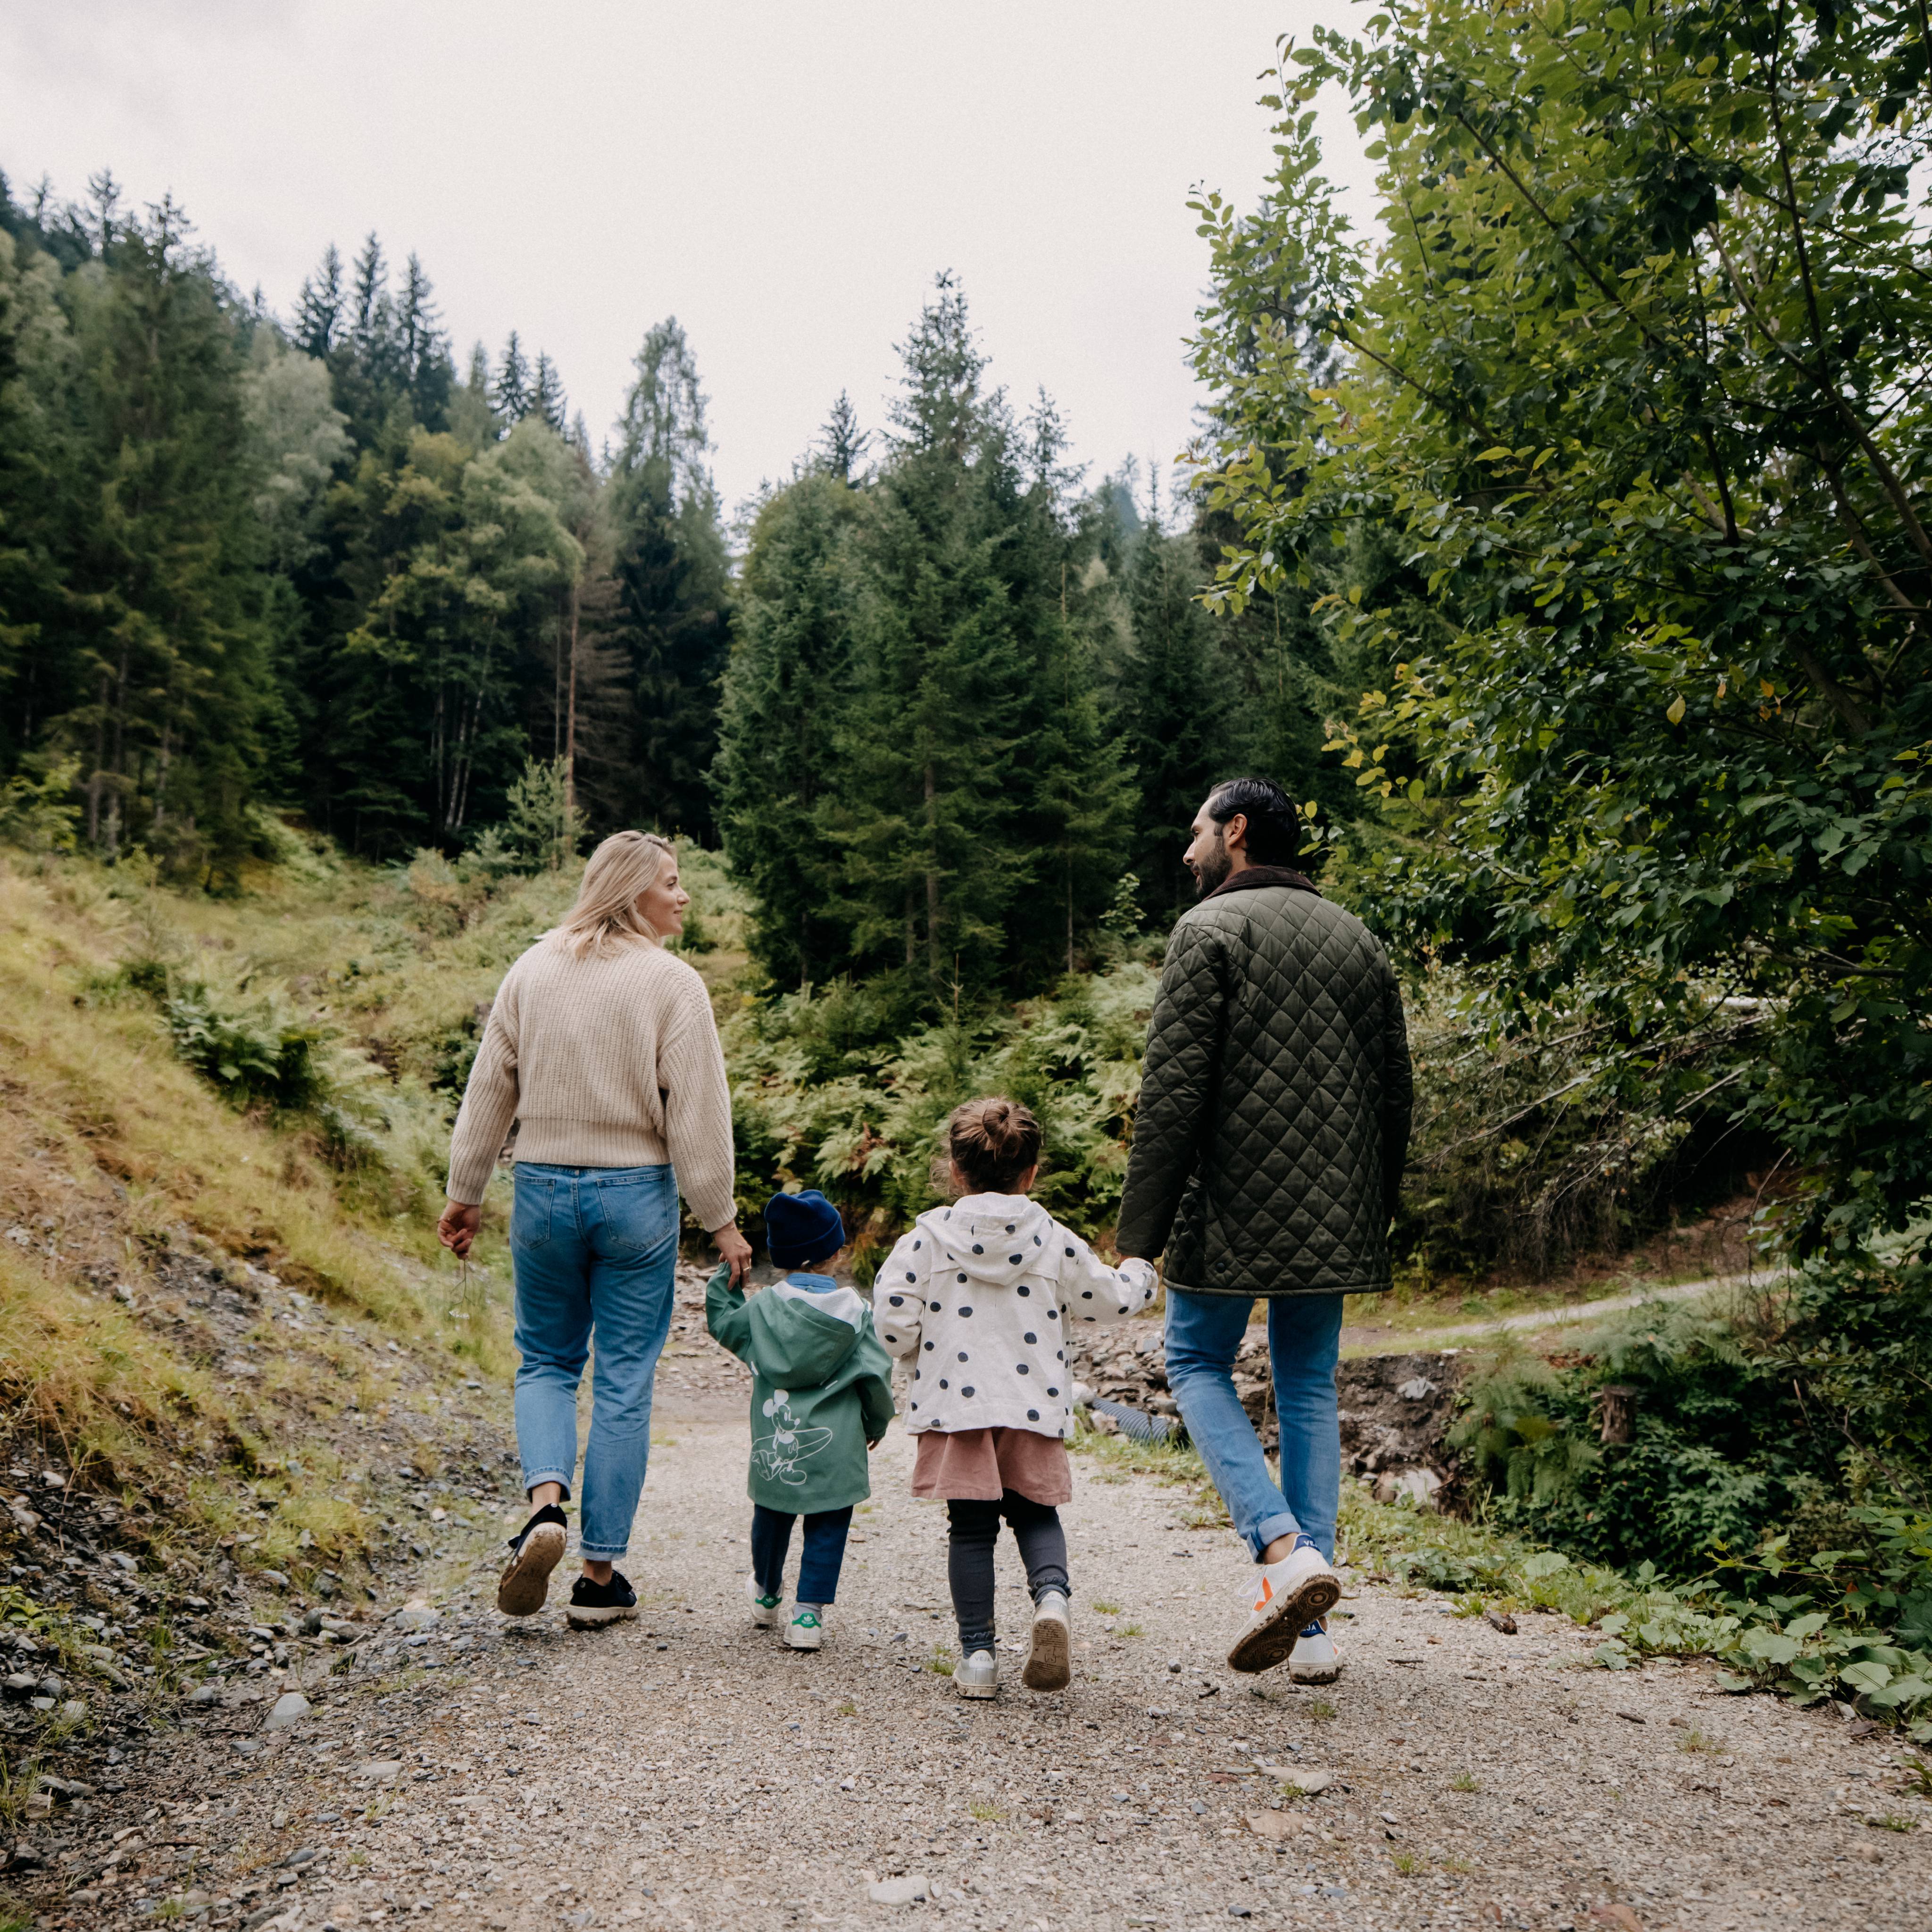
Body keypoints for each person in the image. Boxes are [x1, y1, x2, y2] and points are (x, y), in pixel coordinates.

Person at [1115, 778, 1412, 1683]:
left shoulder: (1208, 932)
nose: (1187, 848)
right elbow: (1395, 1087)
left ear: (1235, 832)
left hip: (1233, 1201)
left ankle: (1283, 1550)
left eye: (1197, 828)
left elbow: (1173, 1097)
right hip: (1336, 1204)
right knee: (1308, 1385)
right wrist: (1375, 1202)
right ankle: (1312, 1632)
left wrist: (1139, 1233)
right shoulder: (1355, 934)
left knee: (1195, 1362)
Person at [437, 831, 752, 1631]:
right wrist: (723, 1222)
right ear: (629, 894)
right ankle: (599, 1577)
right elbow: (699, 1117)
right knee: (621, 1379)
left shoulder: (532, 968)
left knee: (544, 1360)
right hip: (633, 1198)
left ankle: (546, 1505)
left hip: (541, 1186)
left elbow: (488, 1089)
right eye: (671, 885)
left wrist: (465, 1191)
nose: (683, 897)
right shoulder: (672, 984)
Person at [873, 1098, 1157, 1699]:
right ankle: (1052, 1599)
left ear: (954, 1169)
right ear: (1030, 1173)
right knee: (1035, 1513)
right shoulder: (1055, 1238)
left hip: (957, 1409)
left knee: (971, 1530)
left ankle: (978, 1657)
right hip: (1033, 1401)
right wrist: (1142, 1271)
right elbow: (1110, 1298)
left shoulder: (923, 1241)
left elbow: (893, 1325)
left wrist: (918, 1346)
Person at [705, 1189, 895, 1651]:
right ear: (835, 1254)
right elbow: (876, 1374)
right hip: (838, 1443)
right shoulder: (856, 1312)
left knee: (771, 1516)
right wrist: (876, 1423)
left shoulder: (763, 1309)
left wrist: (724, 1276)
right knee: (829, 1523)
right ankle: (807, 1617)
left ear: (781, 1256)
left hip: (776, 1441)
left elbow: (723, 1321)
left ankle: (768, 1593)